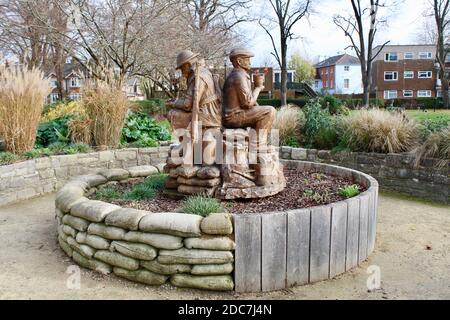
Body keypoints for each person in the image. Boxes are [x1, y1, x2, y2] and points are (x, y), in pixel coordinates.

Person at [222, 48, 276, 148]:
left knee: (264, 111)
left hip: (235, 114)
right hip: (233, 116)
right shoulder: (238, 76)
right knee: (270, 111)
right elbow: (248, 102)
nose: (250, 62)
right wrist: (258, 88)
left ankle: (256, 144)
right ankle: (257, 147)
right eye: (247, 59)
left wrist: (258, 108)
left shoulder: (238, 75)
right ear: (239, 61)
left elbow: (248, 101)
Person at [167, 50, 222, 133]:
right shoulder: (205, 71)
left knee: (172, 114)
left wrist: (173, 104)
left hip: (207, 115)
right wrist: (177, 101)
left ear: (187, 65)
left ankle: (187, 141)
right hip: (211, 112)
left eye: (182, 68)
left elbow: (187, 105)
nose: (182, 72)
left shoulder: (196, 76)